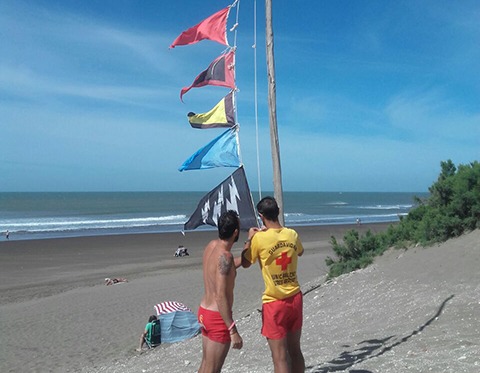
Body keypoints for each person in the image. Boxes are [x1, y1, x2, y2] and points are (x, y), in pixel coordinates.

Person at [241, 196, 305, 373]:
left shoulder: (259, 239)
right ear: (278, 212)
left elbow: (246, 263)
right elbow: (300, 251)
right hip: (295, 298)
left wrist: (250, 239)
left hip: (274, 302)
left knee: (280, 357)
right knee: (295, 351)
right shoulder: (291, 234)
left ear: (261, 216)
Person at [197, 210, 243, 373]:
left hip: (204, 312)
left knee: (205, 365)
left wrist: (244, 257)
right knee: (212, 369)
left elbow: (221, 270)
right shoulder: (225, 257)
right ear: (235, 232)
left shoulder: (212, 246)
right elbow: (220, 295)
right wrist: (233, 329)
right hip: (218, 317)